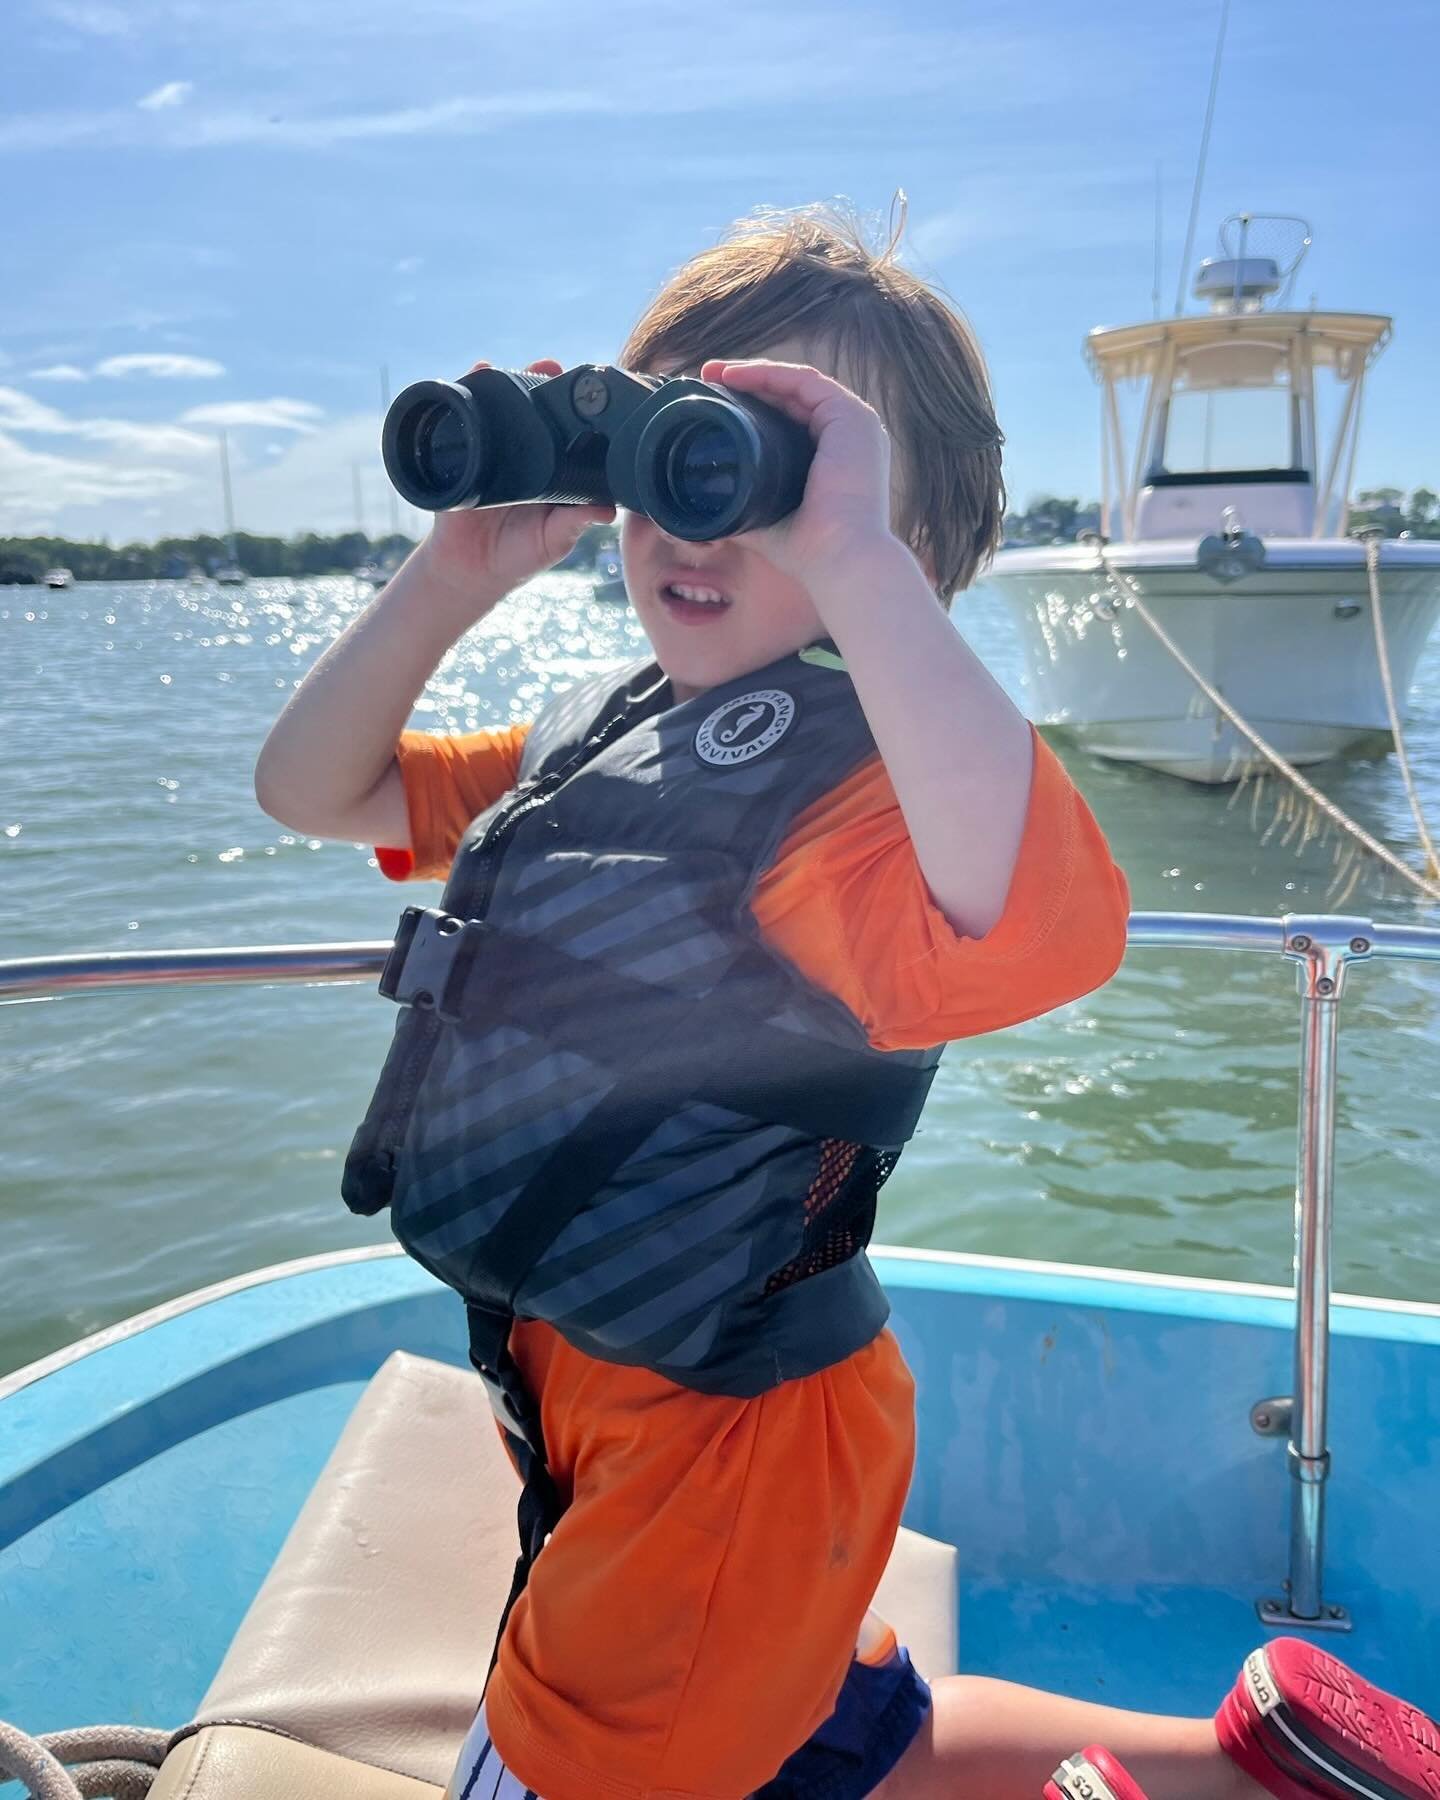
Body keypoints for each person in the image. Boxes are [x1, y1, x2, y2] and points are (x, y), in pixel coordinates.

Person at [253, 205, 1438, 1800]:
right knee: (834, 1723)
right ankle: (1243, 1763)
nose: (703, 519)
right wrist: (452, 571)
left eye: (768, 471)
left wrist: (860, 563)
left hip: (719, 1438)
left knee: (602, 1755)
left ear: (911, 548)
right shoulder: (595, 750)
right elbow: (312, 788)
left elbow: (1036, 916)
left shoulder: (869, 814)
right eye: (674, 453)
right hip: (625, 1385)